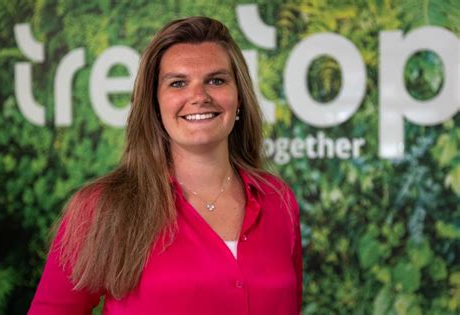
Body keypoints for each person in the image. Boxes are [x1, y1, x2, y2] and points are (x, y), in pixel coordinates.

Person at [29, 16, 302, 315]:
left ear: (238, 98)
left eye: (216, 80)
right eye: (178, 83)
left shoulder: (278, 199)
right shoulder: (100, 209)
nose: (199, 96)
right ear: (155, 104)